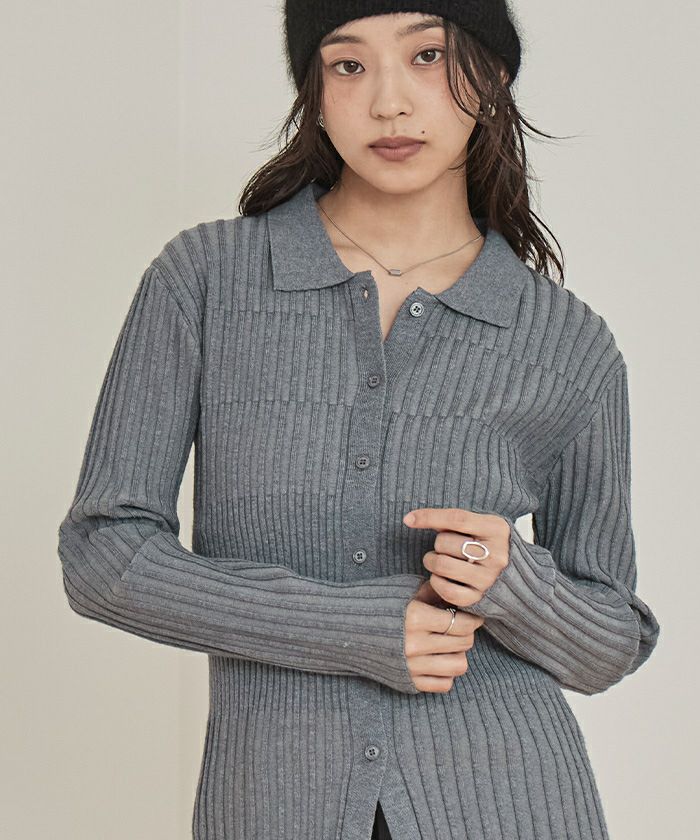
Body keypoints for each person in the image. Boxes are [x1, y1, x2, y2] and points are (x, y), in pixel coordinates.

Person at [56, 2, 662, 839]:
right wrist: (346, 628)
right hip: (274, 804)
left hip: (511, 802)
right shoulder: (206, 281)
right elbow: (102, 553)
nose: (388, 102)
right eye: (348, 65)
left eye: (427, 57)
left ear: (492, 76)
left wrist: (514, 582)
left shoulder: (567, 341)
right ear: (314, 89)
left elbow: (609, 643)